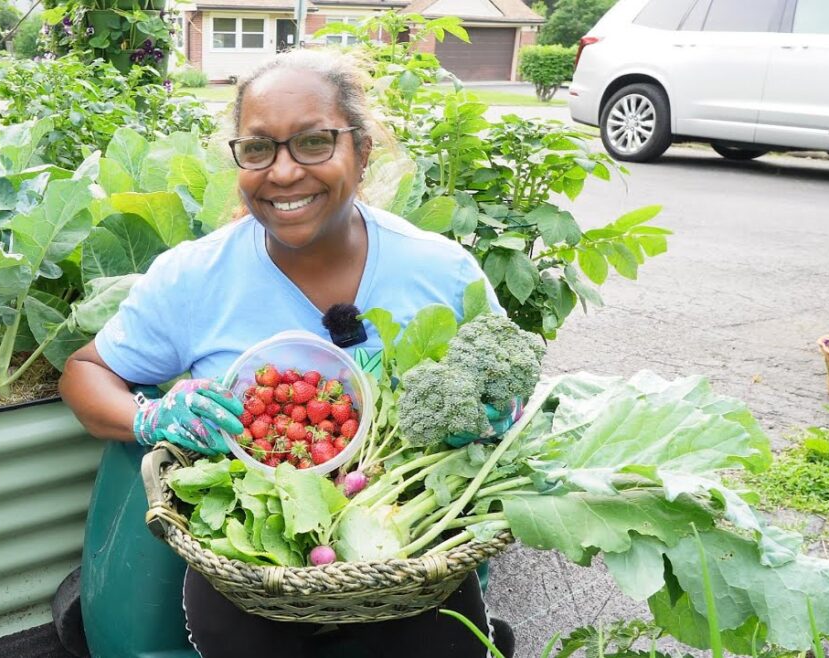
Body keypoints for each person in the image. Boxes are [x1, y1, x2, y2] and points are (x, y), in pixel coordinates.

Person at [59, 49, 515, 658]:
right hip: (250, 567)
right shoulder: (194, 278)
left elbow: (507, 382)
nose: (283, 172)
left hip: (411, 558)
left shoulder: (440, 271)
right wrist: (149, 417)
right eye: (258, 149)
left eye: (313, 143)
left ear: (362, 150)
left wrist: (495, 417)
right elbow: (85, 374)